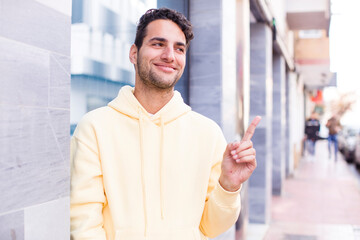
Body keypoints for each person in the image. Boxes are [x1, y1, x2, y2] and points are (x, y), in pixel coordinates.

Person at [70, 8, 261, 240]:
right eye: (158, 44)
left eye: (179, 48)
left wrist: (228, 186)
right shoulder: (94, 128)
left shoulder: (208, 133)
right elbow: (83, 222)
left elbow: (212, 227)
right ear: (134, 53)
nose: (170, 55)